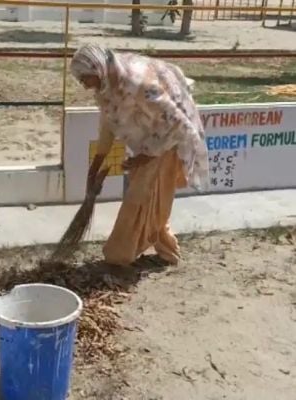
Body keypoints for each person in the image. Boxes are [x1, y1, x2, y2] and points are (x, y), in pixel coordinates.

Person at [70, 44, 209, 267]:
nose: (85, 86)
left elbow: (176, 123)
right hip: (149, 142)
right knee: (153, 201)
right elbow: (108, 125)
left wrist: (146, 157)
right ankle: (167, 248)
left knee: (139, 200)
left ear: (97, 69)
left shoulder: (138, 85)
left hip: (169, 141)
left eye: (85, 78)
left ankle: (119, 256)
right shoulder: (107, 90)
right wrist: (95, 168)